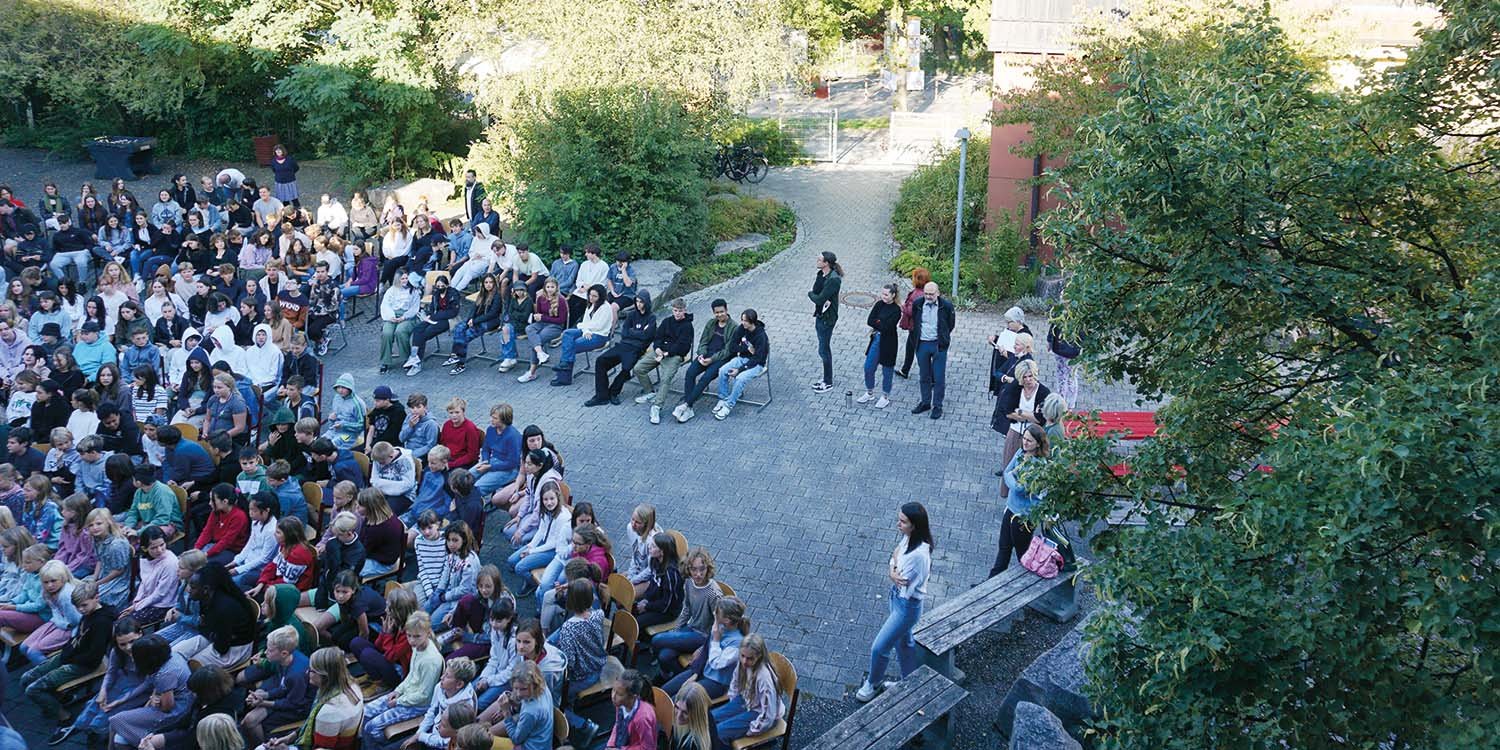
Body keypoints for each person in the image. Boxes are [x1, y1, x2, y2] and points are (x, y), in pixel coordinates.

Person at [855, 502, 933, 701]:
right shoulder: (910, 538)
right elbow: (895, 556)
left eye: (903, 522)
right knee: (904, 643)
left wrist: (892, 570)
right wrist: (892, 569)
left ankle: (873, 683)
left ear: (914, 525)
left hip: (906, 606)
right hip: (897, 599)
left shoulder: (919, 555)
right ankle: (909, 683)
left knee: (879, 647)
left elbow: (901, 579)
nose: (898, 524)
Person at [22, 580, 114, 740]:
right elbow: (77, 637)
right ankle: (57, 699)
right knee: (26, 678)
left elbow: (93, 656)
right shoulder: (89, 613)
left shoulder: (102, 622)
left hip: (84, 664)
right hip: (71, 655)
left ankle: (65, 718)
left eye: (84, 605)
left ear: (96, 598)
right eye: (77, 607)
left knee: (33, 690)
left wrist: (68, 658)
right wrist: (66, 654)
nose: (81, 610)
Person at [989, 424, 1050, 577]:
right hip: (1011, 508)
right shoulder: (1021, 453)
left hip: (1024, 516)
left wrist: (1011, 478)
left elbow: (1018, 488)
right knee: (1004, 547)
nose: (1025, 442)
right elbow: (1007, 472)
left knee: (1023, 553)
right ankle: (992, 580)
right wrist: (1012, 478)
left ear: (1038, 444)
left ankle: (1026, 582)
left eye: (1029, 440)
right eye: (1024, 438)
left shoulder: (1038, 466)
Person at [710, 634, 782, 748]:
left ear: (759, 656)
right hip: (746, 700)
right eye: (742, 656)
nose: (744, 661)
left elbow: (769, 714)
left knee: (720, 732)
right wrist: (733, 704)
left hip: (760, 713)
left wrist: (753, 729)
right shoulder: (743, 663)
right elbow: (735, 683)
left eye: (750, 658)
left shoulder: (764, 679)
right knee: (710, 718)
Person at [630, 296, 694, 424]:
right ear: (672, 310)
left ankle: (657, 406)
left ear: (685, 310)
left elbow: (683, 347)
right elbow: (658, 336)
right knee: (638, 368)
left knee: (666, 379)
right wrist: (658, 348)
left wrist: (666, 353)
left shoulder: (687, 326)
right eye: (675, 310)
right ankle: (650, 392)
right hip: (660, 351)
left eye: (680, 311)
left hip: (674, 355)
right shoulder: (667, 321)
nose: (677, 313)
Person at [586, 290, 655, 407]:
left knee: (626, 369)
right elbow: (625, 333)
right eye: (637, 301)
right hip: (623, 345)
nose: (638, 304)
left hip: (637, 349)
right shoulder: (632, 315)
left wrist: (633, 332)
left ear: (646, 303)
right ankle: (601, 396)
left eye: (641, 302)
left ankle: (613, 392)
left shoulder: (651, 318)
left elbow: (647, 336)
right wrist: (639, 333)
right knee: (600, 361)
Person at [994, 359, 1048, 492]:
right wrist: (1030, 415)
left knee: (1029, 468)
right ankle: (1007, 494)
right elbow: (1007, 411)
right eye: (1024, 377)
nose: (1028, 380)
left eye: (1031, 376)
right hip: (1015, 431)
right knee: (1009, 465)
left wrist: (1020, 412)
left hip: (1033, 435)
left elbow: (1040, 419)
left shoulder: (1043, 392)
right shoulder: (1015, 387)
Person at [545, 284, 613, 386]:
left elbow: (599, 326)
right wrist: (585, 331)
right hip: (587, 331)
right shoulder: (591, 304)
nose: (591, 298)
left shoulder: (606, 308)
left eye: (595, 296)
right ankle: (565, 365)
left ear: (601, 297)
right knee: (567, 334)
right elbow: (585, 322)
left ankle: (564, 376)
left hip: (600, 336)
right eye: (590, 295)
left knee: (571, 345)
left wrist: (583, 327)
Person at [909, 281, 957, 420]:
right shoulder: (918, 304)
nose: (928, 296)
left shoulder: (946, 306)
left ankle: (937, 405)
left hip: (938, 345)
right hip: (922, 344)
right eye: (926, 294)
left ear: (938, 293)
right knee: (924, 375)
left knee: (939, 377)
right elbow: (915, 321)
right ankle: (925, 402)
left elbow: (950, 324)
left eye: (931, 294)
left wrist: (943, 337)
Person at [711, 309, 769, 421]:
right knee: (722, 370)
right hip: (742, 358)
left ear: (752, 321)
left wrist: (740, 369)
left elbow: (758, 358)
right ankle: (723, 398)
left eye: (745, 321)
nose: (743, 323)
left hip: (756, 364)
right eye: (742, 320)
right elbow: (732, 347)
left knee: (740, 378)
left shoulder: (761, 336)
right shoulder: (742, 329)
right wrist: (746, 348)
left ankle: (728, 405)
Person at [403, 273, 460, 376]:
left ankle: (417, 362)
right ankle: (414, 357)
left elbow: (453, 312)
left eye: (442, 286)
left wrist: (434, 316)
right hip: (435, 317)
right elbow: (432, 308)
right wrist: (428, 315)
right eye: (438, 286)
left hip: (448, 320)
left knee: (425, 333)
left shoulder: (453, 294)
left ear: (447, 285)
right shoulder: (436, 294)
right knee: (418, 329)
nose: (440, 288)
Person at [487, 661, 553, 750]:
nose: (518, 694)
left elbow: (516, 739)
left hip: (531, 747)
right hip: (542, 738)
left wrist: (506, 713)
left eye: (523, 689)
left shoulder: (530, 712)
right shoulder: (542, 687)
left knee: (485, 741)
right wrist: (512, 702)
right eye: (516, 688)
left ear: (534, 685)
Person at [858, 283, 902, 409]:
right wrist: (880, 322)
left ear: (893, 295)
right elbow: (870, 320)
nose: (883, 296)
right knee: (868, 367)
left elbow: (887, 327)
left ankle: (885, 396)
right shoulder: (879, 304)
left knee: (887, 370)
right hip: (876, 339)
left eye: (886, 294)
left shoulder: (896, 310)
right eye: (882, 293)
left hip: (889, 342)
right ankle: (869, 392)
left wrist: (878, 322)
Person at [808, 251, 843, 393]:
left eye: (819, 259)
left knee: (824, 350)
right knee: (822, 348)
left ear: (826, 263)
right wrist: (815, 294)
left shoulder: (833, 280)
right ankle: (825, 378)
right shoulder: (821, 274)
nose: (817, 261)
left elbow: (819, 298)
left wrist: (810, 294)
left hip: (827, 319)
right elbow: (817, 290)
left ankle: (828, 381)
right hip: (820, 315)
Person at [377, 273, 422, 373]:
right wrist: (391, 316)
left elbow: (415, 308)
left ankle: (407, 358)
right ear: (398, 279)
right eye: (402, 279)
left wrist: (404, 317)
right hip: (392, 315)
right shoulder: (391, 290)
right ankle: (385, 361)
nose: (405, 280)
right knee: (387, 333)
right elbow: (385, 305)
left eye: (406, 278)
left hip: (407, 316)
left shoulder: (414, 291)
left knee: (400, 331)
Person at [605, 670, 658, 750]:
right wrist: (610, 745)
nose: (613, 696)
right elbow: (618, 724)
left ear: (633, 696)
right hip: (623, 743)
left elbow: (648, 747)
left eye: (619, 694)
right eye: (613, 690)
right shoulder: (620, 704)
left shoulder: (642, 719)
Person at [671, 682, 721, 750]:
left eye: (685, 712)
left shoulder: (695, 744)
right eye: (677, 707)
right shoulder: (705, 715)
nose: (678, 716)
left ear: (697, 715)